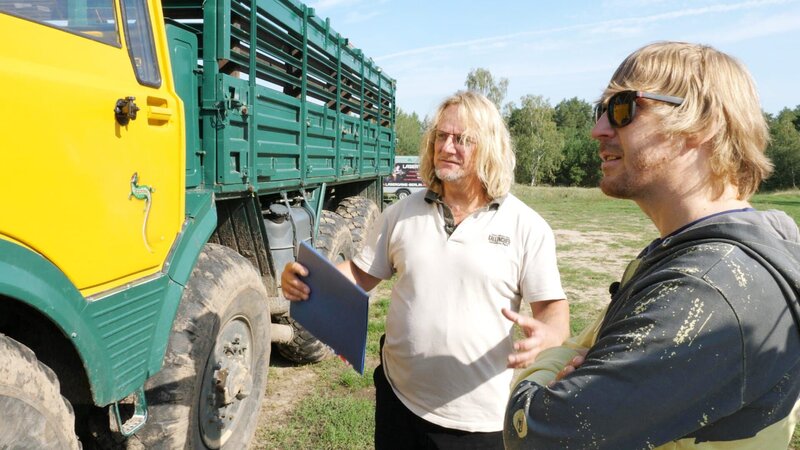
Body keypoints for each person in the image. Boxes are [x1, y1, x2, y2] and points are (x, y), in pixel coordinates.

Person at [502, 41, 800, 449]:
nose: (598, 130)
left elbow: (536, 433)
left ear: (703, 123)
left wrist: (542, 366)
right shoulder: (692, 251)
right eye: (600, 110)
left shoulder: (707, 289)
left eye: (623, 108)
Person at [282, 91, 570, 449]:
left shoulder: (527, 226)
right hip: (398, 401)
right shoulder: (401, 212)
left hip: (480, 420)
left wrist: (550, 336)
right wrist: (307, 277)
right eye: (441, 136)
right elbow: (360, 274)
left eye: (462, 139)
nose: (447, 147)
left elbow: (553, 311)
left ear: (490, 147)